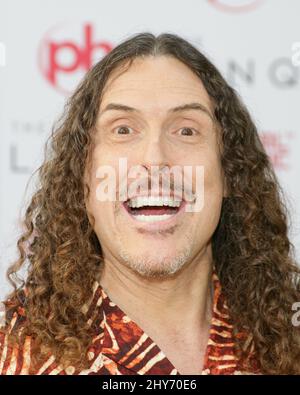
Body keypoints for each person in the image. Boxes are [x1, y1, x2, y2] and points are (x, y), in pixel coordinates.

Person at [0, 32, 299, 375]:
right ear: (82, 175)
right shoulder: (15, 353)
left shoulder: (288, 342)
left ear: (229, 171)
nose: (155, 159)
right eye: (123, 130)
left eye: (186, 131)